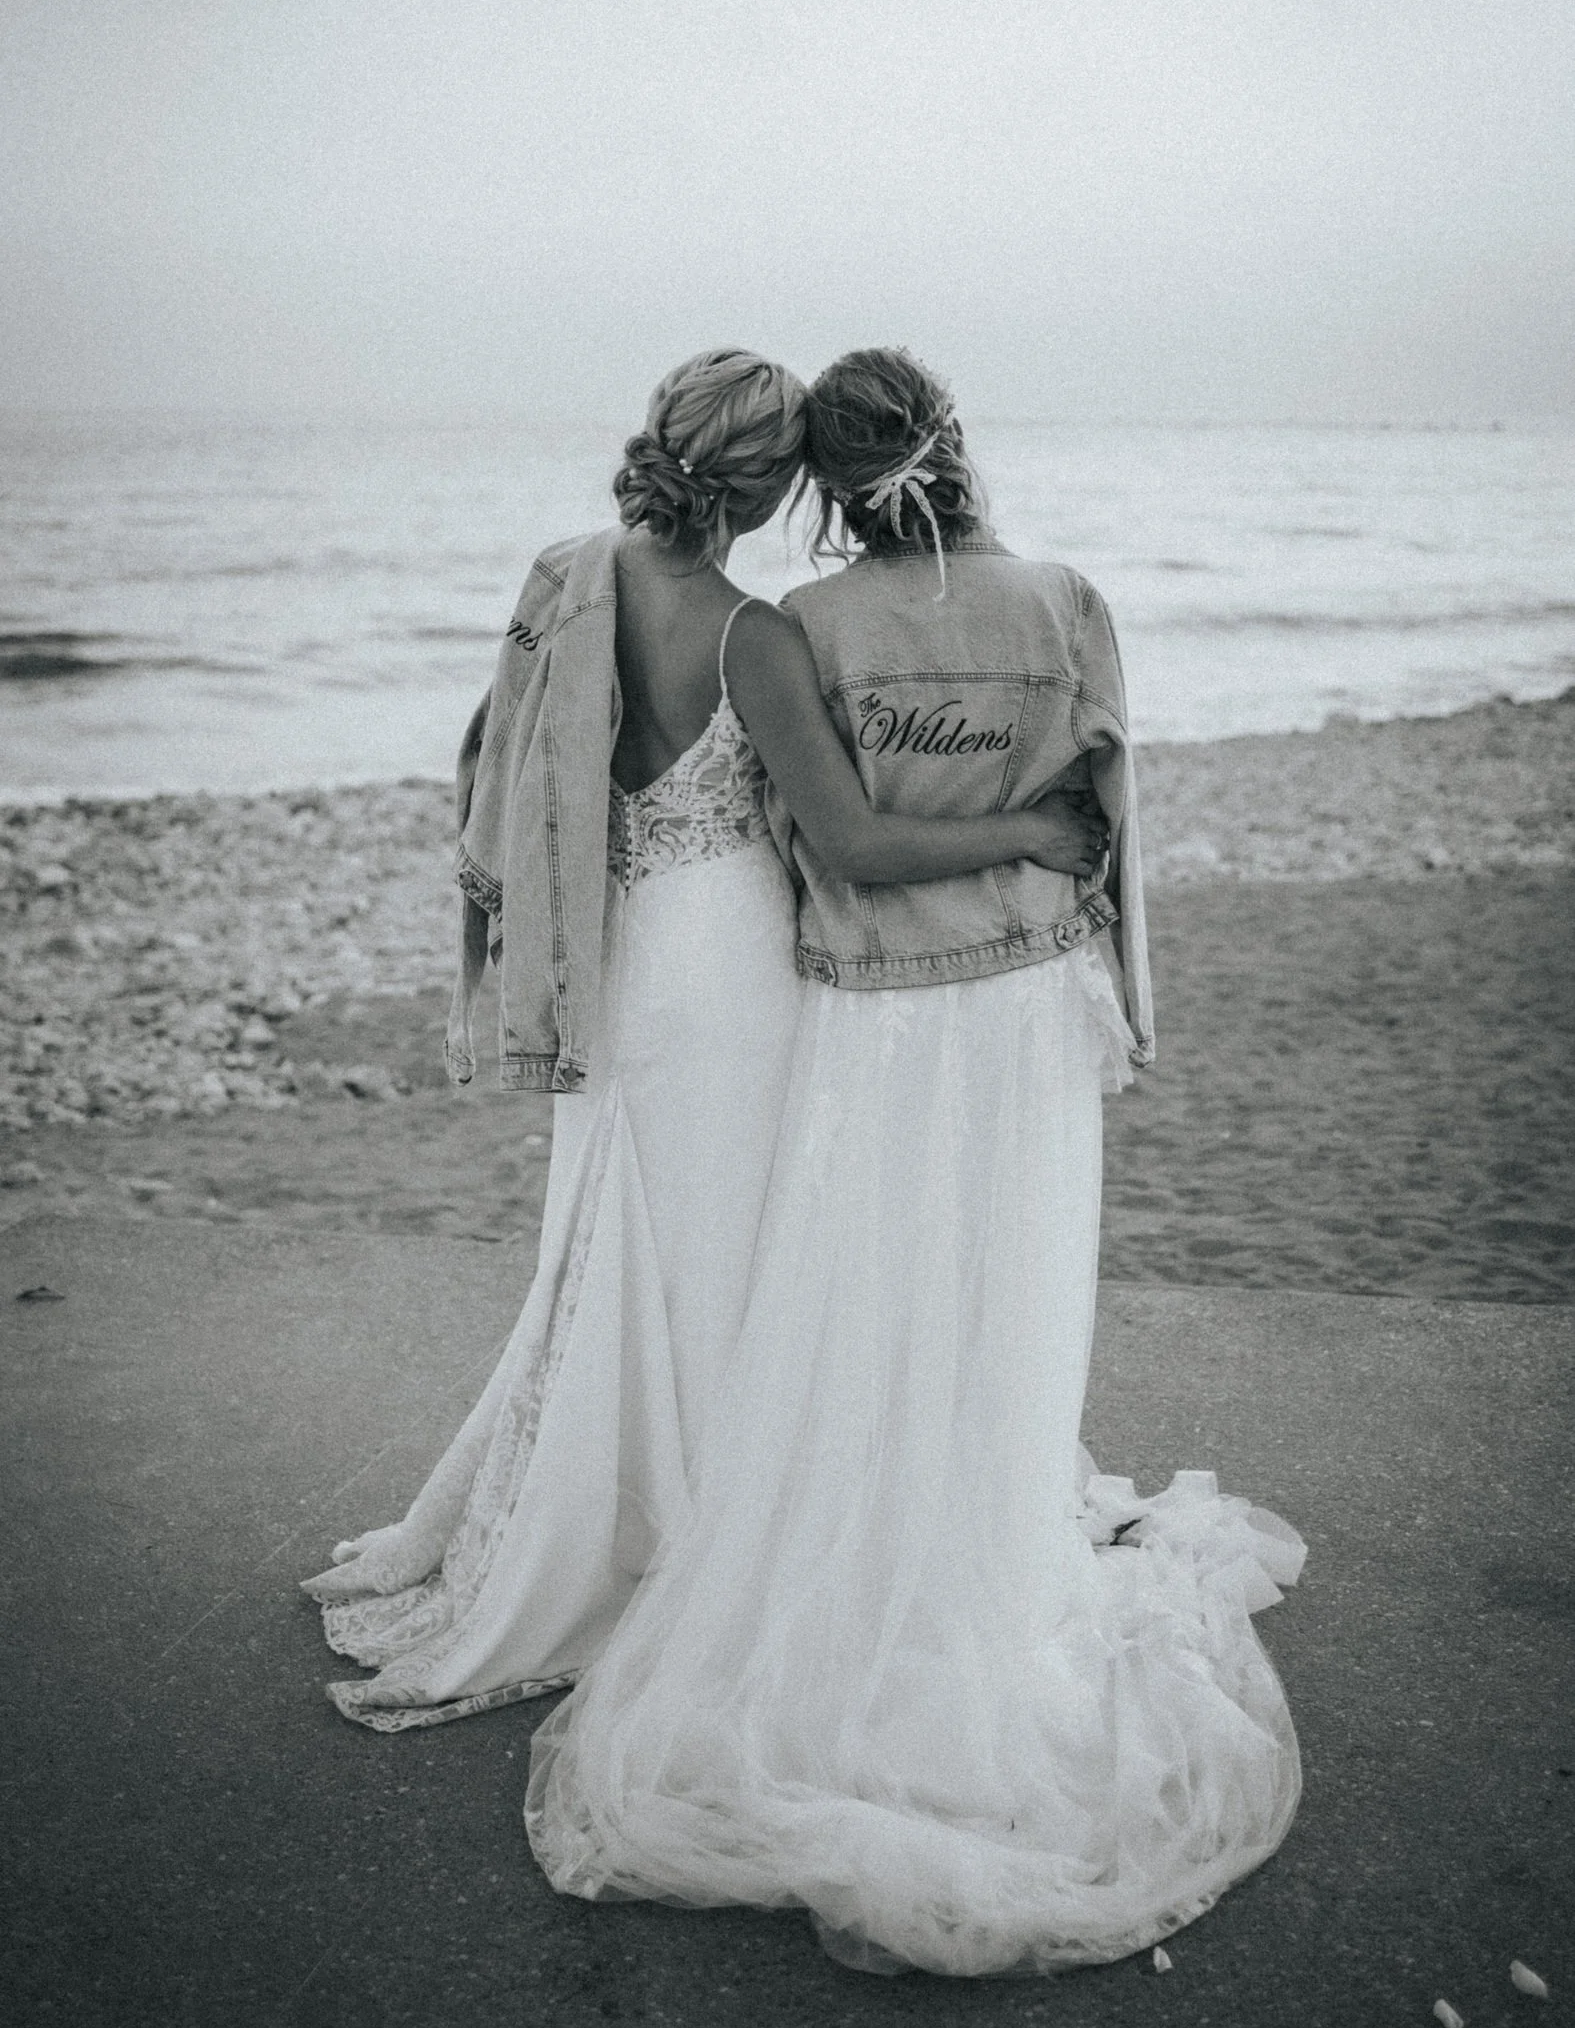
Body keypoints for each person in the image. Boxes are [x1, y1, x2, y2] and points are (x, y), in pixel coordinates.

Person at [527, 348, 1305, 1976]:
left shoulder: (805, 625)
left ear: (824, 486)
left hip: (873, 1007)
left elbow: (810, 834)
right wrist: (1131, 999)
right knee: (1009, 1285)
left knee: (869, 1283)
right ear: (953, 445)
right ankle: (989, 1539)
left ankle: (878, 1541)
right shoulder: (1067, 602)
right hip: (1028, 1001)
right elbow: (1113, 821)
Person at [302, 349, 1104, 1729]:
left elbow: (494, 765)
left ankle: (598, 1515)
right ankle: (715, 1536)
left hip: (613, 956)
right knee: (736, 1252)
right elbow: (853, 841)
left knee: (617, 1236)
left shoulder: (570, 576)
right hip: (727, 969)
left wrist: (488, 955)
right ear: (775, 484)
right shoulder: (754, 637)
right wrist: (1032, 826)